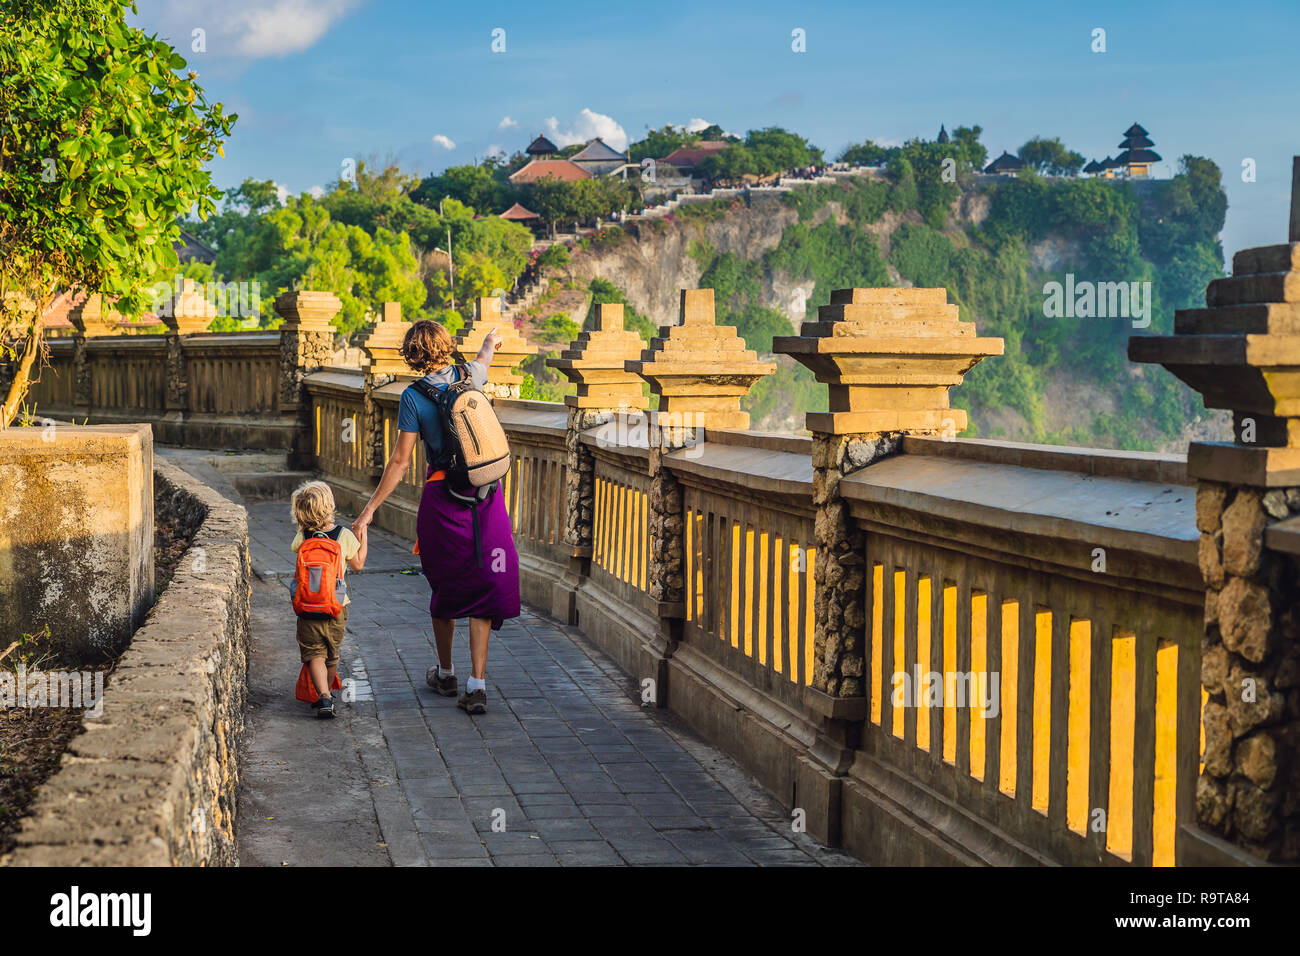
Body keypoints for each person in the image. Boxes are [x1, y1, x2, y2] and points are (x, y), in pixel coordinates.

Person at [352, 321, 520, 716]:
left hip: (443, 499)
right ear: (447, 347)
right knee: (484, 582)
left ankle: (445, 673)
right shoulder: (470, 375)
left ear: (411, 356)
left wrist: (369, 511)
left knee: (445, 584)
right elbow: (484, 358)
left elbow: (399, 461)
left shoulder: (413, 397)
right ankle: (476, 684)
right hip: (485, 495)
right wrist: (489, 341)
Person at [290, 480, 367, 718]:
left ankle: (323, 697)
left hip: (307, 605)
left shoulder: (302, 535)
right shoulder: (343, 535)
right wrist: (362, 537)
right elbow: (358, 564)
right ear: (331, 506)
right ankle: (328, 691)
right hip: (336, 606)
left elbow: (296, 551)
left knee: (314, 653)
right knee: (331, 654)